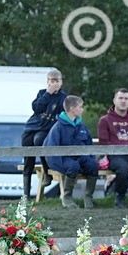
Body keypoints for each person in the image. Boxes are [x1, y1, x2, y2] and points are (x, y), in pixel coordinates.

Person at [43, 95, 99, 209]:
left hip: (81, 157)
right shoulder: (58, 127)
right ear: (72, 109)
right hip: (65, 159)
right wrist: (59, 166)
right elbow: (51, 149)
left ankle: (88, 197)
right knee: (73, 166)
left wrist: (91, 158)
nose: (82, 109)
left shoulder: (82, 126)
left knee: (93, 166)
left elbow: (89, 145)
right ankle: (67, 197)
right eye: (80, 107)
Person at [20, 69, 66, 198]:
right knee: (28, 159)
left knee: (39, 140)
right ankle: (26, 196)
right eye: (52, 81)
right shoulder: (42, 93)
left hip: (47, 129)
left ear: (61, 82)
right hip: (32, 126)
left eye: (57, 81)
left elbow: (63, 116)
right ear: (47, 82)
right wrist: (48, 93)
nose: (55, 84)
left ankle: (47, 172)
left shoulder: (63, 98)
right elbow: (36, 108)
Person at [97, 88, 128, 208]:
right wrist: (122, 148)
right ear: (114, 100)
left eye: (126, 99)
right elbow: (103, 142)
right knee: (124, 169)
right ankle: (120, 196)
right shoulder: (105, 120)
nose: (123, 101)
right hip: (115, 155)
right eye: (120, 98)